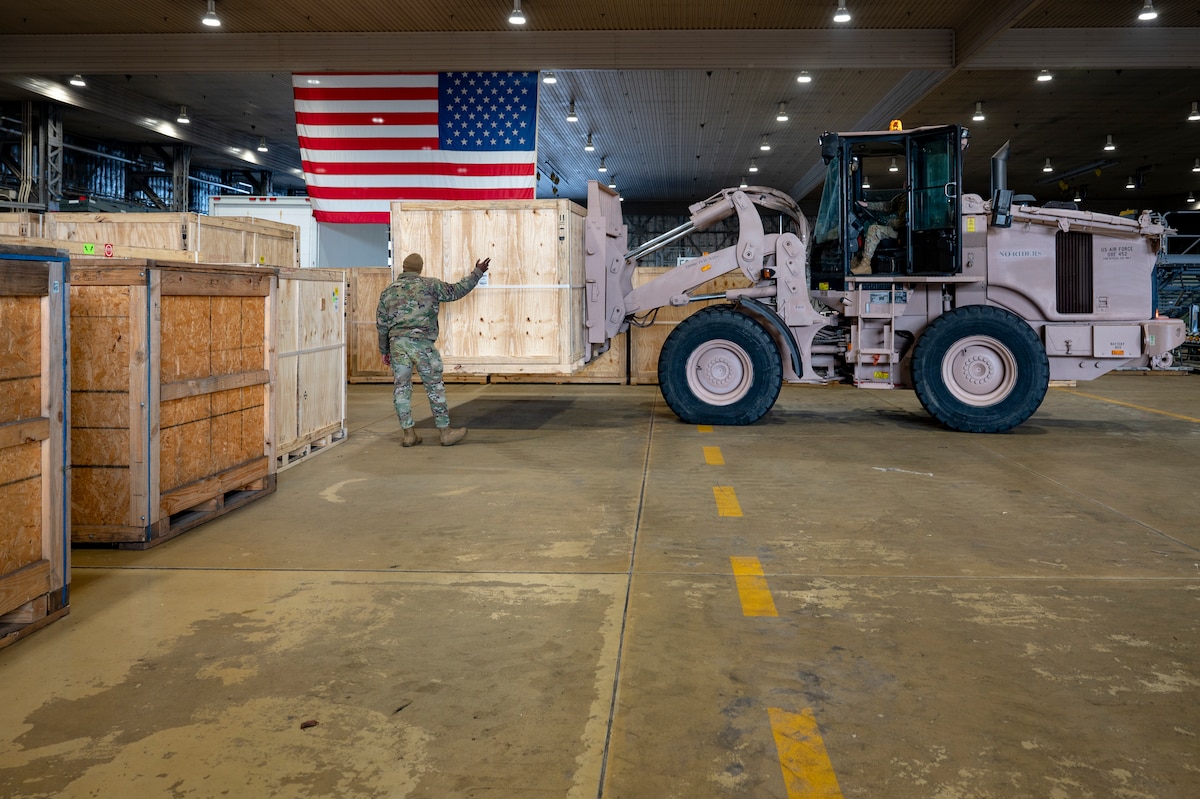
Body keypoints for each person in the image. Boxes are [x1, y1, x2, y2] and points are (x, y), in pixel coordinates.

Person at [377, 252, 490, 447]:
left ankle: (408, 434)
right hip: (422, 344)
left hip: (397, 344)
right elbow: (457, 290)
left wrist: (384, 350)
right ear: (419, 269)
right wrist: (477, 273)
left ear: (404, 269)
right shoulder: (430, 285)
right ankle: (445, 433)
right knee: (434, 387)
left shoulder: (388, 292)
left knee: (402, 388)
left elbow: (381, 324)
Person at [851, 187, 908, 275]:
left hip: (904, 231)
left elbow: (906, 220)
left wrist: (891, 222)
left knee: (874, 230)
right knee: (868, 231)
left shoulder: (915, 196)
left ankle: (865, 265)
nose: (905, 183)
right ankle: (857, 264)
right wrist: (867, 205)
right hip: (898, 229)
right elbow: (887, 206)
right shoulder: (902, 196)